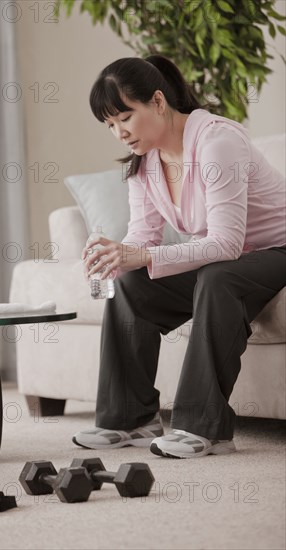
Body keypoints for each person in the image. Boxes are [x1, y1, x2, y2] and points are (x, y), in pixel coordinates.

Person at [72, 55, 286, 458]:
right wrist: (115, 258)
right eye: (110, 124)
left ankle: (205, 428)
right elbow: (142, 237)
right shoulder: (144, 162)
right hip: (234, 256)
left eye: (125, 117)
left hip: (278, 248)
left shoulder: (217, 142)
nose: (119, 132)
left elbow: (226, 245)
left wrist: (143, 255)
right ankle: (130, 419)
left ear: (156, 101)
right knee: (129, 281)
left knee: (218, 278)